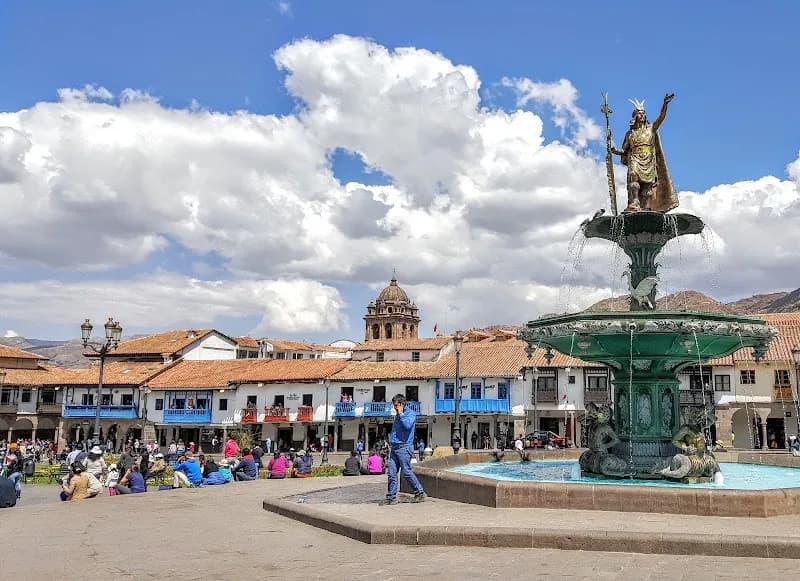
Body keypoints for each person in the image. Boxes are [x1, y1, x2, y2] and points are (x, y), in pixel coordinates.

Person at [610, 93, 678, 214]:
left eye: (642, 114)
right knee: (633, 175)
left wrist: (665, 105)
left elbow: (661, 118)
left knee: (647, 185)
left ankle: (646, 206)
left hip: (648, 159)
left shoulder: (651, 129)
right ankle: (634, 202)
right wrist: (614, 149)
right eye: (639, 114)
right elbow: (624, 150)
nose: (641, 116)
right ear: (634, 117)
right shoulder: (630, 134)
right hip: (635, 158)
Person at [384, 394, 425, 505]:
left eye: (396, 405)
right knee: (392, 473)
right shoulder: (397, 415)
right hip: (394, 447)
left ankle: (419, 492)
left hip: (404, 447)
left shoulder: (410, 414)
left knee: (406, 472)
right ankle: (391, 496)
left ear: (401, 404)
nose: (394, 408)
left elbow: (407, 426)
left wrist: (401, 413)